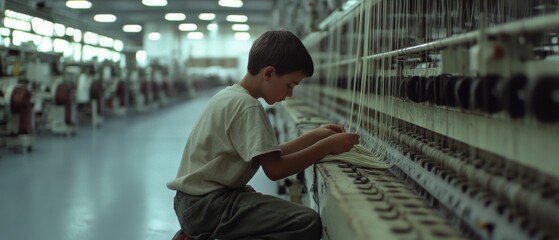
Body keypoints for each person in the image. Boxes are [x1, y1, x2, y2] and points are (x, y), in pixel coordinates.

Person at [167, 30, 360, 240]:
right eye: (290, 85)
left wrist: (315, 136)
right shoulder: (247, 107)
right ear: (268, 73)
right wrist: (327, 147)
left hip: (194, 202)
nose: (290, 94)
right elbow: (275, 169)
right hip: (207, 205)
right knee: (305, 223)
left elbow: (269, 153)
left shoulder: (230, 96)